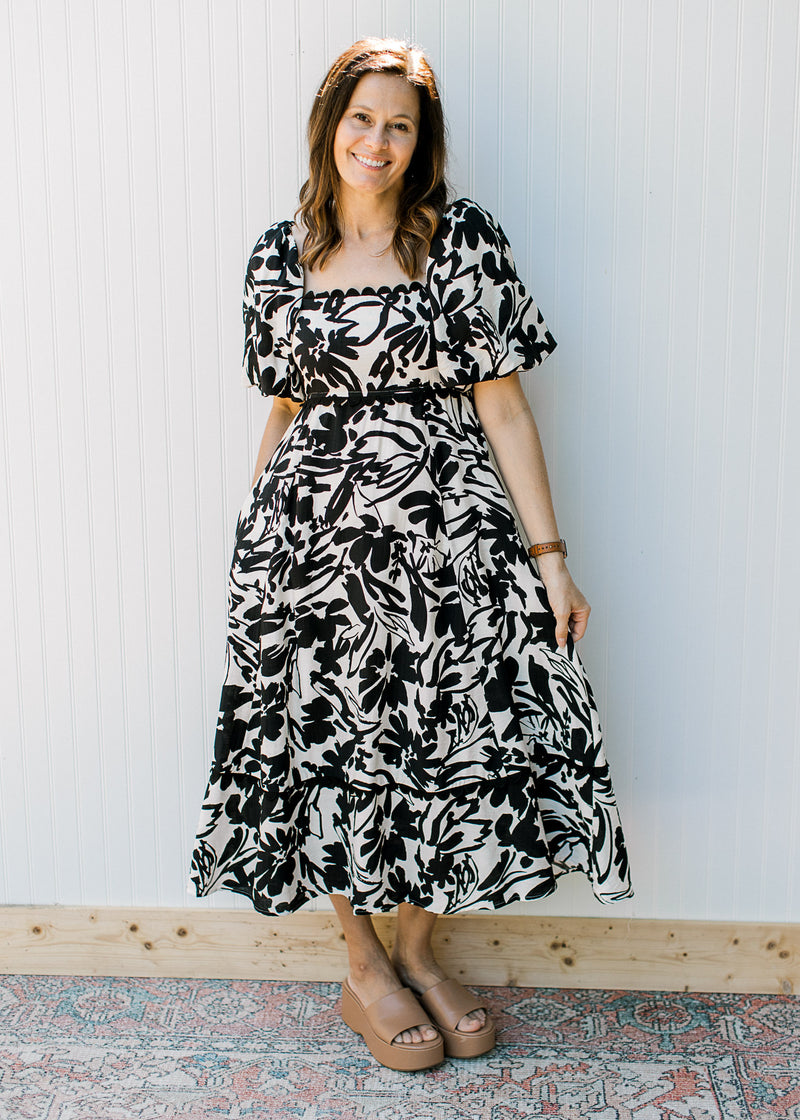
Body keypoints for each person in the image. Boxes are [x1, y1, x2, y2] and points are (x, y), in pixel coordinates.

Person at [189, 36, 632, 1072]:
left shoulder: (460, 241)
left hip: (450, 540)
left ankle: (421, 949)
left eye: (398, 123)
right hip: (309, 547)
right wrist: (253, 542)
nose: (375, 140)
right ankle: (361, 964)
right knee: (326, 739)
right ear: (327, 124)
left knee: (451, 733)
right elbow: (283, 405)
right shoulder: (277, 254)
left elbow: (504, 404)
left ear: (419, 140)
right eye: (360, 118)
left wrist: (550, 558)